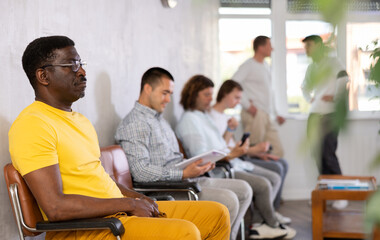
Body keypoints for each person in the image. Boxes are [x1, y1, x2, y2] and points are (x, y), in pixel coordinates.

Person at [8, 36, 230, 240]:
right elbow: (56, 207)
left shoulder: (80, 120)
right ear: (43, 76)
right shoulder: (33, 124)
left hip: (117, 214)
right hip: (88, 228)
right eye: (72, 65)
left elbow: (101, 180)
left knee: (217, 214)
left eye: (81, 64)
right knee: (185, 232)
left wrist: (137, 199)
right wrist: (128, 204)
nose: (82, 72)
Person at [114, 67, 251, 240]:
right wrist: (183, 172)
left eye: (170, 94)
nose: (168, 99)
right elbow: (141, 172)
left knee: (244, 189)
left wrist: (194, 166)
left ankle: (227, 236)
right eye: (165, 93)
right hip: (171, 188)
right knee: (229, 199)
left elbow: (173, 158)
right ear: (148, 88)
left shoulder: (159, 119)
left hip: (185, 180)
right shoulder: (135, 123)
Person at [176, 75, 296, 240]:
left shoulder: (202, 116)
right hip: (218, 170)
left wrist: (232, 145)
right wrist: (232, 154)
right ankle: (266, 224)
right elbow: (201, 156)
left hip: (228, 163)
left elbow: (219, 145)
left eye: (211, 94)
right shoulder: (190, 120)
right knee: (264, 183)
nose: (211, 99)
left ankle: (264, 224)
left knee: (271, 177)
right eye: (206, 95)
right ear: (193, 94)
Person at [209, 79, 290, 216]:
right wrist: (254, 150)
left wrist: (257, 153)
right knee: (276, 170)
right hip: (230, 162)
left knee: (281, 163)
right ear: (224, 94)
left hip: (238, 158)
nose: (239, 101)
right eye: (236, 97)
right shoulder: (211, 117)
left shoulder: (226, 117)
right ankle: (267, 216)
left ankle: (269, 214)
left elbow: (232, 146)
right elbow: (222, 149)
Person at [301, 35, 349, 210]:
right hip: (314, 116)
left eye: (309, 45)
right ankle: (324, 194)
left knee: (328, 155)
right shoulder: (311, 68)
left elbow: (344, 78)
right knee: (317, 157)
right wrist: (310, 98)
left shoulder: (334, 62)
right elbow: (304, 86)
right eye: (305, 46)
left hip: (329, 116)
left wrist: (335, 97)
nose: (306, 49)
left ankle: (341, 196)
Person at [232, 35, 285, 158]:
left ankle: (268, 174)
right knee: (252, 150)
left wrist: (276, 113)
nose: (272, 49)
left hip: (266, 115)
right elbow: (233, 84)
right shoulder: (248, 65)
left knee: (278, 151)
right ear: (260, 48)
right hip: (254, 114)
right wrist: (246, 104)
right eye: (269, 46)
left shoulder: (266, 66)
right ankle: (252, 175)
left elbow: (269, 92)